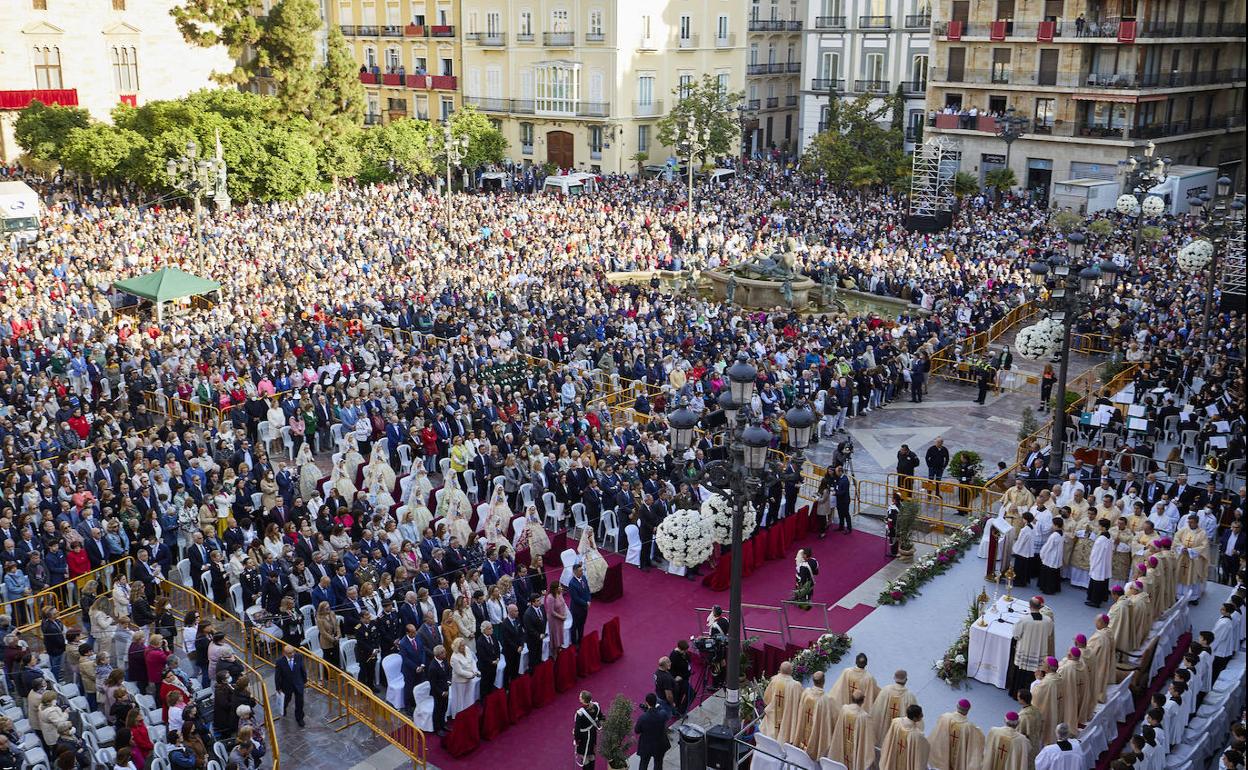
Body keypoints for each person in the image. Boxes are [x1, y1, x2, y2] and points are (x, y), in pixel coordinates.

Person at [1010, 598, 1055, 696]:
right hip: (1040, 652)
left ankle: (1016, 693)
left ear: (1029, 606)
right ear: (1041, 607)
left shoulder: (1024, 619)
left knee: (1021, 673)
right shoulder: (1048, 620)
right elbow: (1049, 633)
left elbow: (1016, 635)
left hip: (1025, 650)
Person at [929, 699, 986, 770]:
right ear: (968, 711)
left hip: (944, 751)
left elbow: (937, 731)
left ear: (957, 706)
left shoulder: (945, 717)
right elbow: (978, 740)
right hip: (959, 757)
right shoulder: (969, 728)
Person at [871, 669, 920, 741]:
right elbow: (915, 715)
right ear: (906, 680)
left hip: (882, 728)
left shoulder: (885, 690)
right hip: (899, 730)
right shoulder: (909, 696)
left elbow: (876, 709)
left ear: (894, 678)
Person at [879, 704, 930, 770]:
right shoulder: (917, 735)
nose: (922, 715)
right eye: (921, 714)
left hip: (894, 756)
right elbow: (924, 750)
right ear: (914, 718)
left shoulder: (896, 722)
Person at [760, 661, 802, 738]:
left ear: (780, 669)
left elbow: (766, 699)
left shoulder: (774, 680)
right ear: (791, 671)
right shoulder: (796, 686)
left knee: (770, 739)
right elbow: (800, 703)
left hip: (773, 717)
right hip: (788, 718)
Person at [634, 693, 671, 770]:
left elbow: (637, 730)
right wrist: (658, 707)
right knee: (658, 763)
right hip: (660, 744)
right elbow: (665, 715)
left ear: (647, 702)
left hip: (646, 745)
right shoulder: (662, 714)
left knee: (643, 764)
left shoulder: (643, 718)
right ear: (656, 702)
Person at [274, 645, 307, 728]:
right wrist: (278, 687)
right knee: (286, 699)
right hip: (287, 685)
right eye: (289, 653)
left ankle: (299, 718)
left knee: (300, 702)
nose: (292, 654)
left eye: (293, 652)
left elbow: (302, 668)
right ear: (284, 653)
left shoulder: (298, 657)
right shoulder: (280, 662)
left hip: (298, 683)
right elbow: (277, 676)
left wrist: (305, 680)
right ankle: (283, 708)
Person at [574, 690, 602, 768]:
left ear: (583, 700)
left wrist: (576, 740)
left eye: (580, 696)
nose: (579, 697)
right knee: (591, 753)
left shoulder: (580, 714)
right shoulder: (596, 706)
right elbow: (600, 717)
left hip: (584, 737)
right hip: (593, 733)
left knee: (584, 756)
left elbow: (577, 730)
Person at [428, 644, 451, 736]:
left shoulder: (444, 660)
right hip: (438, 693)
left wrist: (449, 681)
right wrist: (441, 692)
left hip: (446, 688)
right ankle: (437, 728)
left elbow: (449, 671)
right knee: (437, 710)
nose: (445, 653)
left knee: (444, 708)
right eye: (444, 652)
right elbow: (433, 684)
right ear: (438, 655)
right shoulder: (432, 667)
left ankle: (442, 724)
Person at [567, 563, 592, 646]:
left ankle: (581, 640)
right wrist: (586, 603)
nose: (582, 572)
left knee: (582, 625)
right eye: (580, 571)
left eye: (582, 570)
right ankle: (574, 644)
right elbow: (575, 598)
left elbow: (587, 590)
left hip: (584, 608)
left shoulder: (584, 578)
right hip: (576, 610)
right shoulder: (572, 583)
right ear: (575, 572)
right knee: (575, 627)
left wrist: (589, 600)